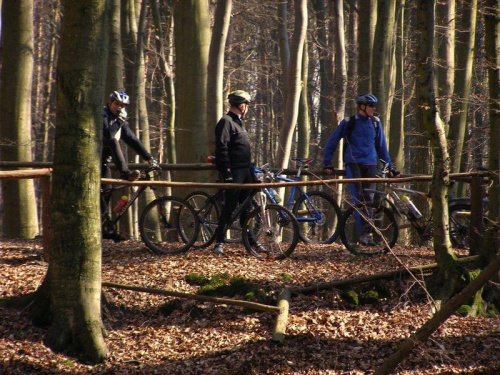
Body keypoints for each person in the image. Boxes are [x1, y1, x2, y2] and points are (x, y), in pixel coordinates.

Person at [323, 93, 400, 245]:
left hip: (371, 165)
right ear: (362, 106)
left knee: (370, 199)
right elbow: (332, 141)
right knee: (359, 199)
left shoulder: (376, 123)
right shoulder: (349, 122)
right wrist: (327, 163)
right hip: (354, 164)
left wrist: (391, 167)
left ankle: (368, 234)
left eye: (374, 106)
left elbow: (382, 148)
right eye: (371, 105)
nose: (373, 108)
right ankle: (364, 234)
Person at [212, 90, 265, 255]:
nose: (247, 108)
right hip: (233, 171)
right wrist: (226, 172)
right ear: (242, 105)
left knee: (247, 208)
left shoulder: (239, 123)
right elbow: (221, 148)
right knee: (230, 207)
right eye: (247, 105)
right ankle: (219, 242)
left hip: (245, 170)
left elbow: (245, 152)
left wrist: (252, 174)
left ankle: (249, 241)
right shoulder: (226, 121)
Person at [101, 90, 158, 218]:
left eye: (122, 106)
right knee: (113, 141)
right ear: (110, 103)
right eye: (117, 104)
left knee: (105, 196)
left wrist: (149, 158)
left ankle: (105, 230)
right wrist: (120, 120)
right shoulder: (103, 114)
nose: (119, 108)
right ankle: (126, 173)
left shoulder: (118, 121)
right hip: (95, 159)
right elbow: (108, 134)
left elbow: (133, 140)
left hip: (105, 163)